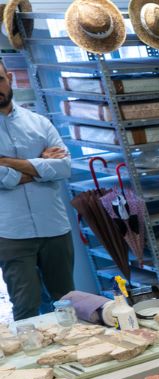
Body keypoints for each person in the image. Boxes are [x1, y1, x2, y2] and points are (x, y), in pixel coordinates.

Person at [0, 57, 74, 322]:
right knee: (25, 308)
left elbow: (64, 168)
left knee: (67, 301)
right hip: (12, 233)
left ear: (9, 78)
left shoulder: (40, 123)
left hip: (54, 227)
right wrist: (40, 168)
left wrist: (7, 163)